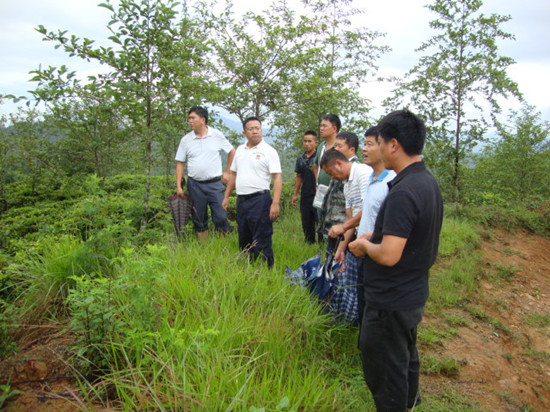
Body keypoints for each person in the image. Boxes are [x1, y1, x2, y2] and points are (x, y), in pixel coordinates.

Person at [348, 110, 443, 411]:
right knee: (405, 356)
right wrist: (378, 234)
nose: (376, 148)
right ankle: (410, 403)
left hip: (390, 299)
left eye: (379, 141)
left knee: (385, 368)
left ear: (393, 145)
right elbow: (408, 233)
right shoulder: (427, 182)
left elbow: (389, 255)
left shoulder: (404, 190)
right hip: (412, 293)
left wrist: (364, 246)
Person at [222, 117, 282, 268]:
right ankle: (247, 268)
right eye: (251, 129)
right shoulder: (240, 150)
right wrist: (226, 196)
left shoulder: (269, 151)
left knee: (261, 237)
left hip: (260, 200)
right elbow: (233, 174)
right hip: (242, 200)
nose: (255, 131)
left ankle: (266, 271)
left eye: (257, 128)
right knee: (244, 236)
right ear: (244, 132)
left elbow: (277, 178)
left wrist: (275, 203)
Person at [321, 148, 372, 324]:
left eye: (330, 172)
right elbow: (351, 218)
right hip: (358, 240)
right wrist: (341, 250)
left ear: (339, 163)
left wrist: (342, 226)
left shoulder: (363, 174)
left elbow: (368, 210)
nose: (332, 177)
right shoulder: (347, 184)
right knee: (354, 284)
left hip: (373, 240)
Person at [175, 106, 235, 241]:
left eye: (192, 118)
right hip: (195, 185)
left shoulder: (216, 135)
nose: (189, 121)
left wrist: (228, 172)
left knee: (220, 217)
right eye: (189, 118)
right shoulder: (186, 140)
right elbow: (180, 163)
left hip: (215, 184)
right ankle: (204, 248)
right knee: (199, 218)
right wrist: (179, 186)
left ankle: (222, 246)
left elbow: (232, 151)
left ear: (202, 120)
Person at [292, 130, 319, 244]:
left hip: (318, 194)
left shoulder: (319, 157)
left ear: (316, 143)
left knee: (319, 220)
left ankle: (322, 244)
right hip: (305, 194)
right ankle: (309, 244)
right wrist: (295, 194)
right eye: (305, 141)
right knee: (306, 221)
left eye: (310, 141)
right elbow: (298, 176)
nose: (307, 144)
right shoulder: (301, 159)